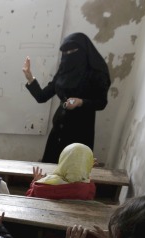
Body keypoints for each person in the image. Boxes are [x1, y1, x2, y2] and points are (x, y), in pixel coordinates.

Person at [23, 33, 111, 164]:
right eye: (65, 52)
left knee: (72, 173)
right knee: (51, 169)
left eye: (72, 51)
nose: (68, 55)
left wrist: (80, 102)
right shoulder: (64, 69)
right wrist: (30, 78)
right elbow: (42, 97)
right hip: (58, 130)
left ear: (83, 51)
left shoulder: (96, 73)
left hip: (80, 132)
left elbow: (101, 103)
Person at [27, 143, 96, 200]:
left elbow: (29, 197)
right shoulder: (87, 189)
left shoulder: (41, 186)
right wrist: (86, 169)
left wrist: (35, 181)